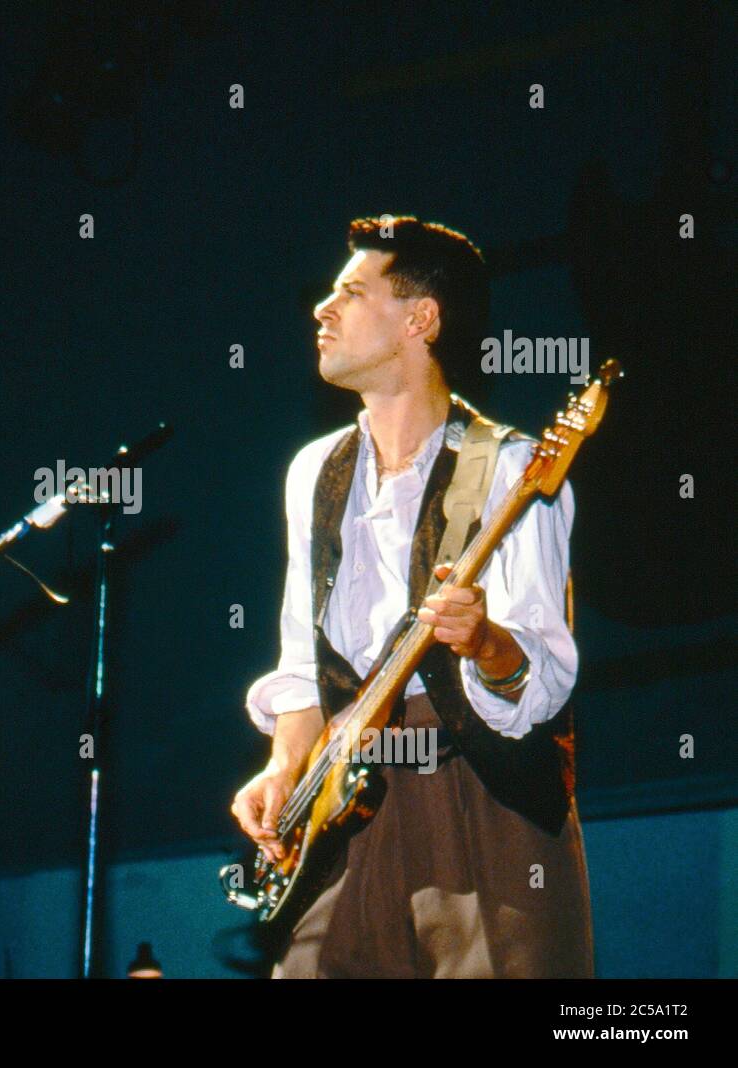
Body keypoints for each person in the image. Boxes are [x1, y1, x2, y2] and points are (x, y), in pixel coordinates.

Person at [231, 216, 594, 978]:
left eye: (350, 293)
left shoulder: (509, 465)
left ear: (420, 320)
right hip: (347, 795)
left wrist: (483, 641)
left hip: (476, 786)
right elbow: (303, 661)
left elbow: (544, 676)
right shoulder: (314, 470)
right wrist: (280, 768)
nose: (321, 310)